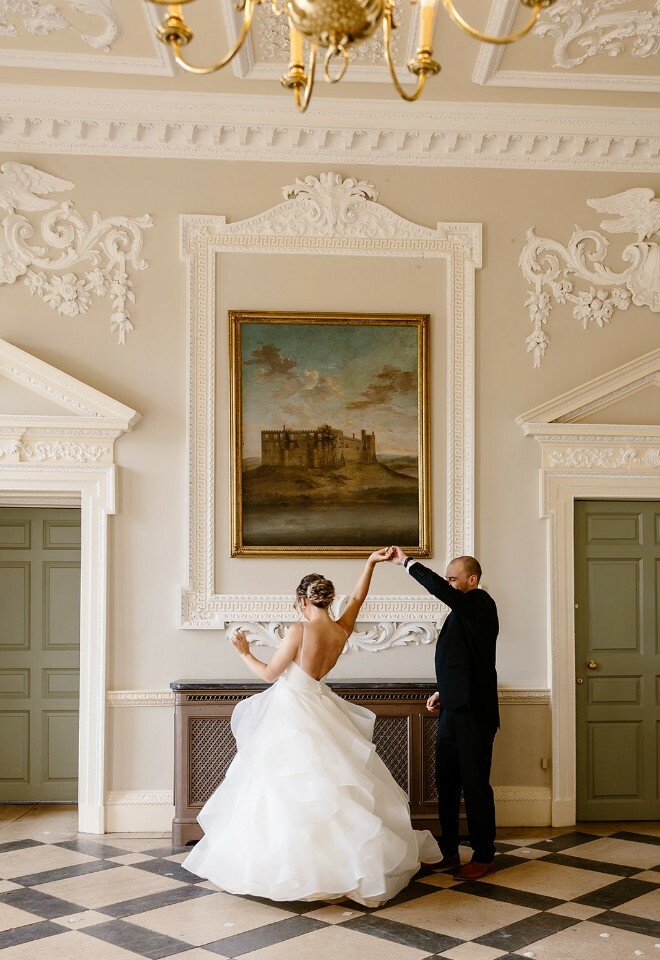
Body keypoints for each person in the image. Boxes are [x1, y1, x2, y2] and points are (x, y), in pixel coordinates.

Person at [182, 548, 441, 905]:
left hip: (291, 710)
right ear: (327, 600)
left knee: (281, 788)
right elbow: (359, 598)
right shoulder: (340, 630)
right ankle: (339, 868)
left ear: (303, 601)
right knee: (331, 788)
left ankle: (290, 870)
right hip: (320, 706)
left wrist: (244, 652)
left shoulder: (299, 630)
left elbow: (269, 674)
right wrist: (370, 564)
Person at [386, 547, 499, 880]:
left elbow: (439, 590)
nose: (448, 584)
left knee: (475, 785)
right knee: (446, 783)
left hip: (475, 713)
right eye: (447, 579)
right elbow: (462, 660)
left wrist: (407, 563)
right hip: (452, 707)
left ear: (472, 580)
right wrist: (442, 692)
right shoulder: (462, 611)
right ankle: (449, 850)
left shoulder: (480, 603)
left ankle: (483, 855)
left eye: (452, 579)